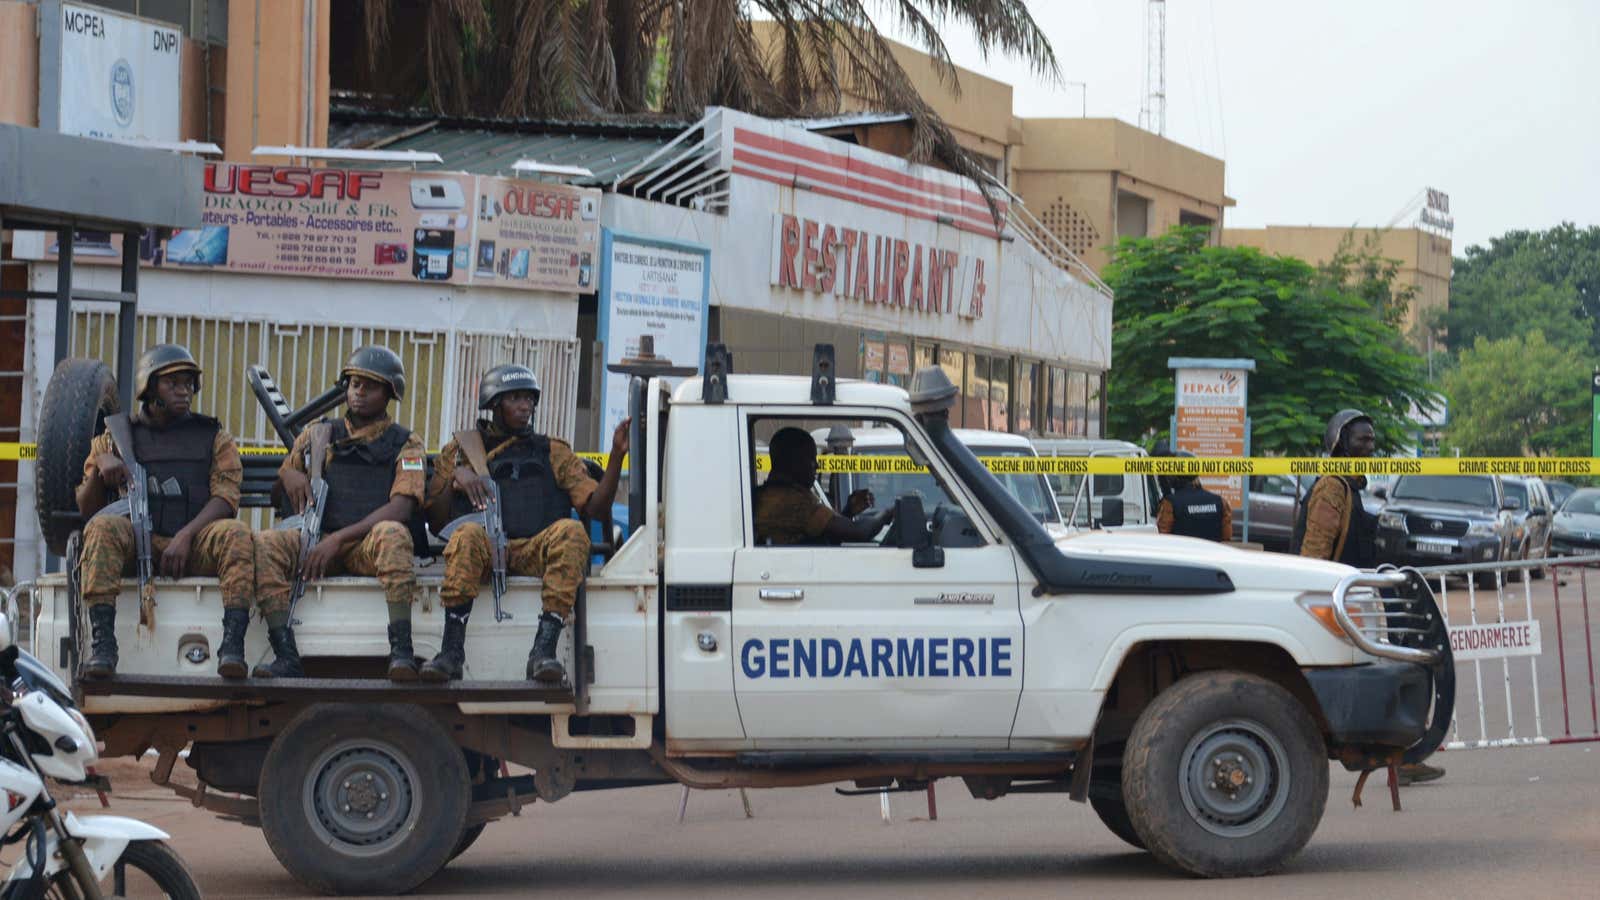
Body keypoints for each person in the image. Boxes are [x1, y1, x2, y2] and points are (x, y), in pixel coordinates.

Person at [421, 364, 629, 683]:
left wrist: (616, 455)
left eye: (529, 399)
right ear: (493, 405)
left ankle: (543, 650)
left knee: (572, 532)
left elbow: (597, 507)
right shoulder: (460, 451)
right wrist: (454, 480)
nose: (525, 406)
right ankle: (451, 652)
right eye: (515, 398)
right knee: (465, 535)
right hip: (486, 553)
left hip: (534, 551)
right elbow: (434, 519)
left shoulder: (553, 451)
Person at [75, 344, 253, 678]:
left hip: (194, 542)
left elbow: (226, 498)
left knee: (238, 534)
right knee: (101, 530)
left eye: (188, 383)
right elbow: (87, 510)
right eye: (173, 383)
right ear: (150, 388)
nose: (184, 390)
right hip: (137, 540)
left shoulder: (214, 437)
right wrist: (102, 465)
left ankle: (232, 645)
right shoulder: (114, 437)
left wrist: (187, 535)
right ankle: (103, 645)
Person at [253, 347, 426, 680]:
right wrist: (288, 475)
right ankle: (285, 654)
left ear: (390, 393)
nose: (358, 392)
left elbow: (403, 506)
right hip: (315, 541)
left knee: (393, 534)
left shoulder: (406, 442)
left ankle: (402, 652)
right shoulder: (318, 434)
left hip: (363, 546)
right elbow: (280, 497)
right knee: (266, 544)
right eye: (354, 384)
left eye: (369, 386)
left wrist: (338, 541)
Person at [1297, 408, 1445, 786]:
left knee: (1403, 667)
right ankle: (1401, 755)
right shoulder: (1332, 488)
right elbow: (1314, 554)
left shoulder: (1350, 487)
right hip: (1340, 608)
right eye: (1362, 439)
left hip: (1358, 602)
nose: (1370, 445)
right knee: (1402, 668)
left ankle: (1402, 756)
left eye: (1371, 440)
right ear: (1341, 443)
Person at [754, 427, 893, 546]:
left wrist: (848, 512)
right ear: (793, 462)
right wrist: (887, 514)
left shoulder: (769, 496)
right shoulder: (792, 503)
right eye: (811, 459)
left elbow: (824, 535)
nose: (817, 465)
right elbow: (860, 532)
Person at [1156, 462, 1234, 543]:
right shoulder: (1220, 501)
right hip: (1211, 553)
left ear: (1174, 478)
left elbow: (1162, 534)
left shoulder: (1170, 503)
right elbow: (1227, 535)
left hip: (1182, 553)